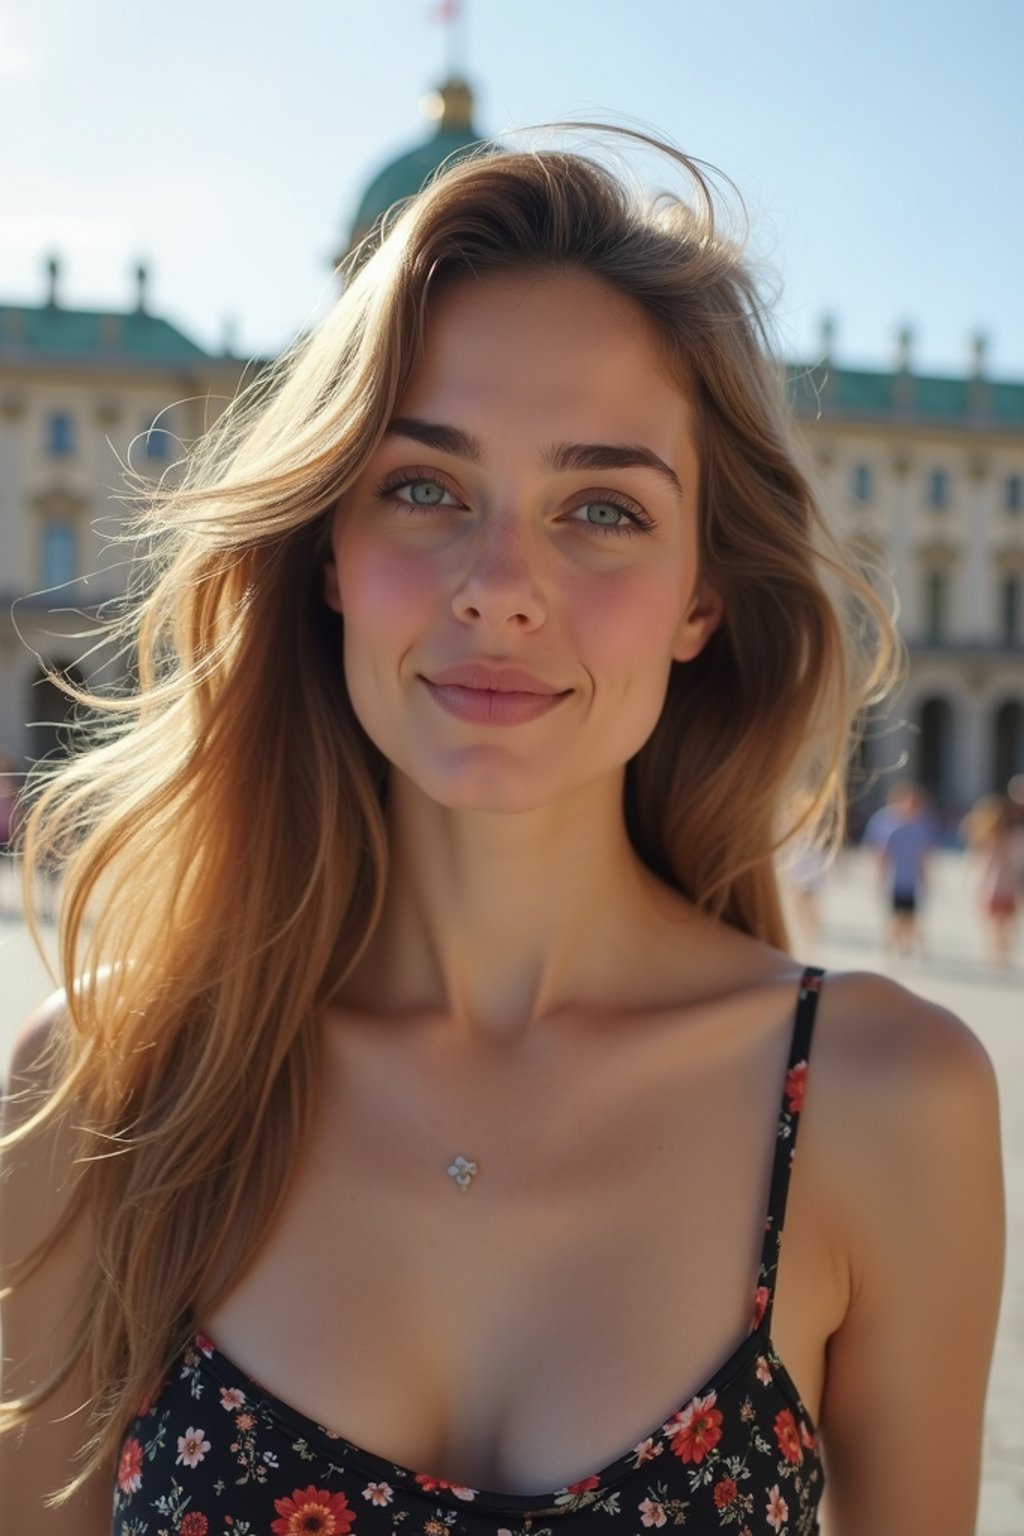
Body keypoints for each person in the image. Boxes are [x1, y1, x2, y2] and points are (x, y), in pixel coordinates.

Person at [0, 128, 1004, 1536]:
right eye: (424, 487)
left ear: (701, 599)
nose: (500, 586)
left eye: (602, 508)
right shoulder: (103, 1091)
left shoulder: (888, 1106)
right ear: (329, 551)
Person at [862, 780, 937, 956]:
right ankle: (891, 946)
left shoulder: (924, 822)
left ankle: (909, 945)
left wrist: (927, 878)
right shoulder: (884, 821)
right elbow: (878, 852)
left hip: (912, 879)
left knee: (911, 915)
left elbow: (925, 854)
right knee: (895, 915)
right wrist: (876, 877)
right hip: (893, 878)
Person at [960, 793, 1020, 967]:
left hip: (998, 883)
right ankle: (998, 952)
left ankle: (998, 952)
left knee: (1000, 922)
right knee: (1000, 923)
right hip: (998, 883)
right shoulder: (989, 836)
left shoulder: (1006, 836)